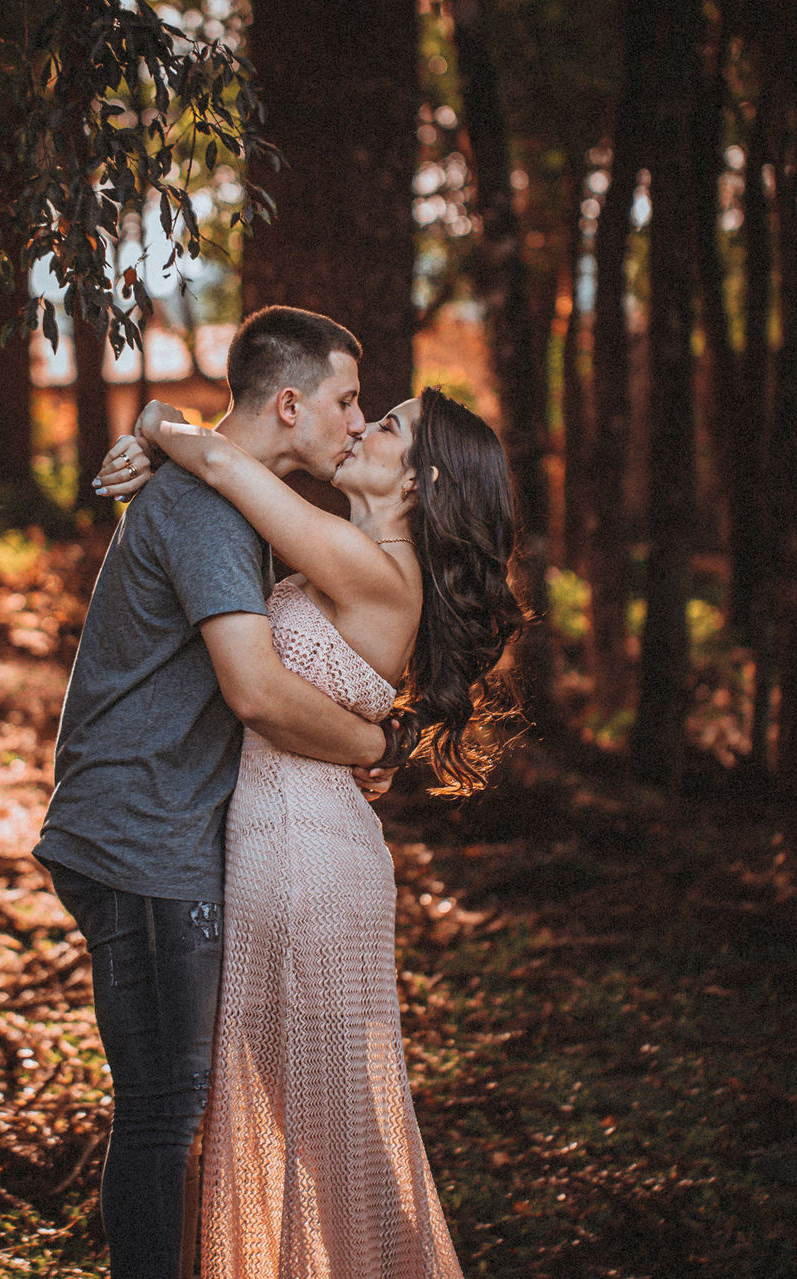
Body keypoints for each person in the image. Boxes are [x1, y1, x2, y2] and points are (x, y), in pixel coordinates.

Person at [94, 380, 524, 1279]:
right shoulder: (356, 555)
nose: (363, 426)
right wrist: (154, 438)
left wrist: (149, 425)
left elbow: (218, 456)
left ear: (420, 483)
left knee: (338, 1145)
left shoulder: (372, 564)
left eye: (390, 425)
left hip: (303, 866)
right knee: (313, 1128)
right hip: (283, 850)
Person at [35, 306, 416, 1279]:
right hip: (141, 833)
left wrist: (158, 428)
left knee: (199, 1099)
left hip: (162, 828)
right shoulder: (207, 512)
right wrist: (378, 740)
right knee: (166, 1109)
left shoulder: (223, 499)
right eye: (345, 400)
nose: (355, 421)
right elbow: (252, 686)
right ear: (290, 403)